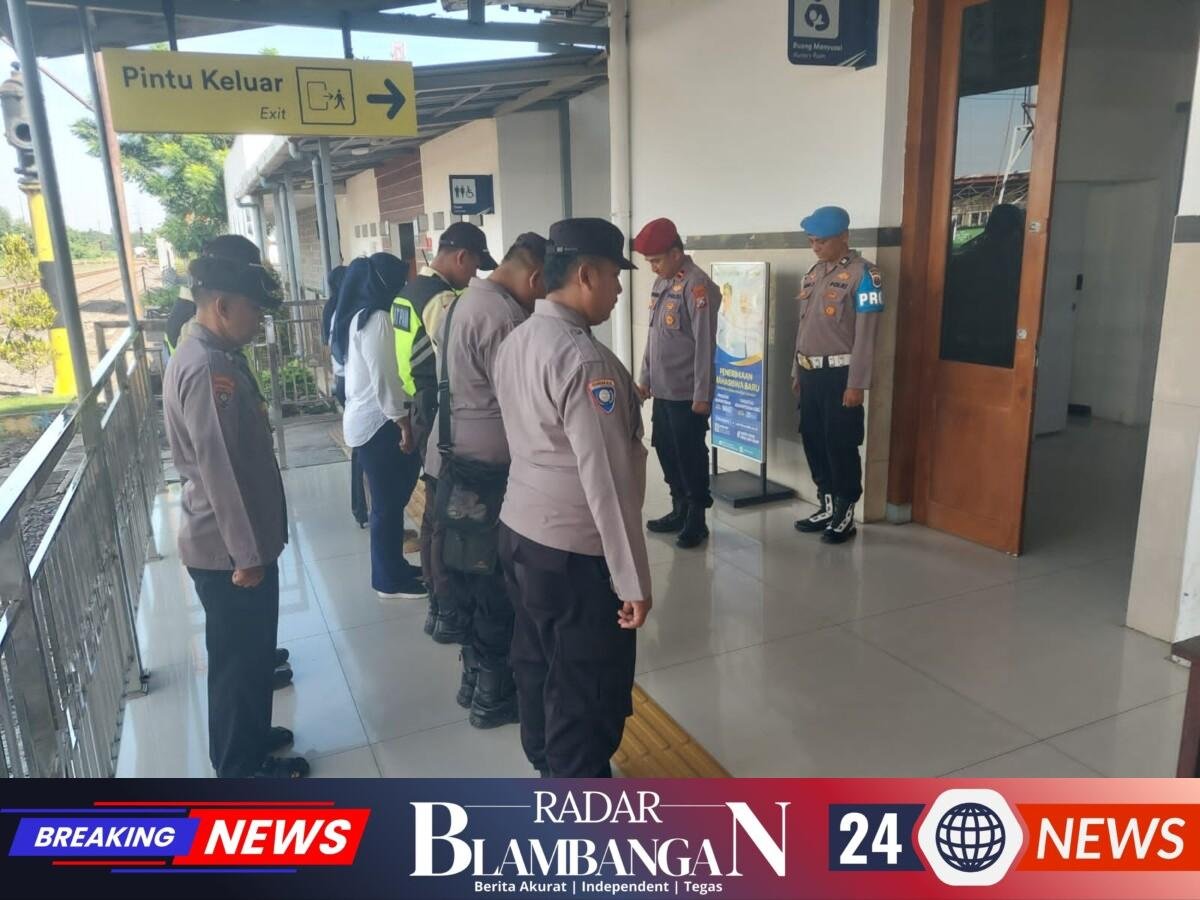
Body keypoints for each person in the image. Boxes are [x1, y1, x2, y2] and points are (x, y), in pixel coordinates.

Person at [494, 218, 653, 778]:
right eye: (613, 276)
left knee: (537, 661)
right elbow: (607, 480)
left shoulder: (518, 339)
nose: (618, 289)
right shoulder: (586, 361)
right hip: (573, 552)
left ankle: (547, 765)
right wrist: (632, 581)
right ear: (585, 274)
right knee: (586, 683)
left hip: (519, 532)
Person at [162, 244, 308, 778]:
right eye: (254, 310)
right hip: (227, 549)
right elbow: (219, 468)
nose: (259, 321)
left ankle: (249, 736)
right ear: (223, 306)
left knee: (251, 652)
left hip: (233, 542)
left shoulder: (211, 353)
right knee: (237, 660)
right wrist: (245, 554)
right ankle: (240, 769)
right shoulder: (208, 367)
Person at [424, 232, 547, 728]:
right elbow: (522, 399)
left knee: (470, 574)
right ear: (535, 278)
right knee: (498, 581)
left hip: (450, 455)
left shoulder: (462, 301)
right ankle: (494, 694)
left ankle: (474, 679)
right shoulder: (504, 317)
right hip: (489, 469)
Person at [411, 223, 498, 635]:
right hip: (442, 413)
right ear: (462, 256)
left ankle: (437, 602)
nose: (475, 276)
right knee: (446, 518)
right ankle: (447, 609)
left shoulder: (411, 291)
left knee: (434, 514)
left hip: (423, 406)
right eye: (475, 266)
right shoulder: (443, 300)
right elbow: (460, 363)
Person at [334, 254, 427, 599]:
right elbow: (385, 377)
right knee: (388, 505)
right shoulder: (378, 320)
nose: (403, 287)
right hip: (381, 423)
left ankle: (394, 567)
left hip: (367, 420)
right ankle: (389, 580)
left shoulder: (358, 316)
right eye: (399, 281)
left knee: (388, 503)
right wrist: (402, 422)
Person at [790, 205, 884, 544]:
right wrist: (796, 369)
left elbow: (867, 336)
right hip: (810, 373)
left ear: (844, 236)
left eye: (822, 241)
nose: (815, 247)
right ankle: (827, 505)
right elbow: (804, 327)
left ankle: (845, 512)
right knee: (813, 439)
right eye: (812, 241)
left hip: (841, 376)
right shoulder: (814, 273)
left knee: (840, 443)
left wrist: (857, 383)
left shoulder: (865, 275)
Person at [632, 217, 720, 549]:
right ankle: (679, 506)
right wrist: (645, 377)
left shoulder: (697, 286)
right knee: (666, 449)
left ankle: (696, 515)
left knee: (690, 453)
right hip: (663, 389)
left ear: (675, 253)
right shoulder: (662, 283)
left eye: (656, 260)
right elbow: (653, 337)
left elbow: (705, 344)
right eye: (649, 261)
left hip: (687, 392)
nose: (653, 267)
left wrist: (703, 393)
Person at [323, 265, 368, 529]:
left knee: (360, 451)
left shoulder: (335, 307)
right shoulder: (355, 312)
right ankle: (362, 506)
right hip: (352, 382)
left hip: (343, 380)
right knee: (363, 451)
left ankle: (361, 507)